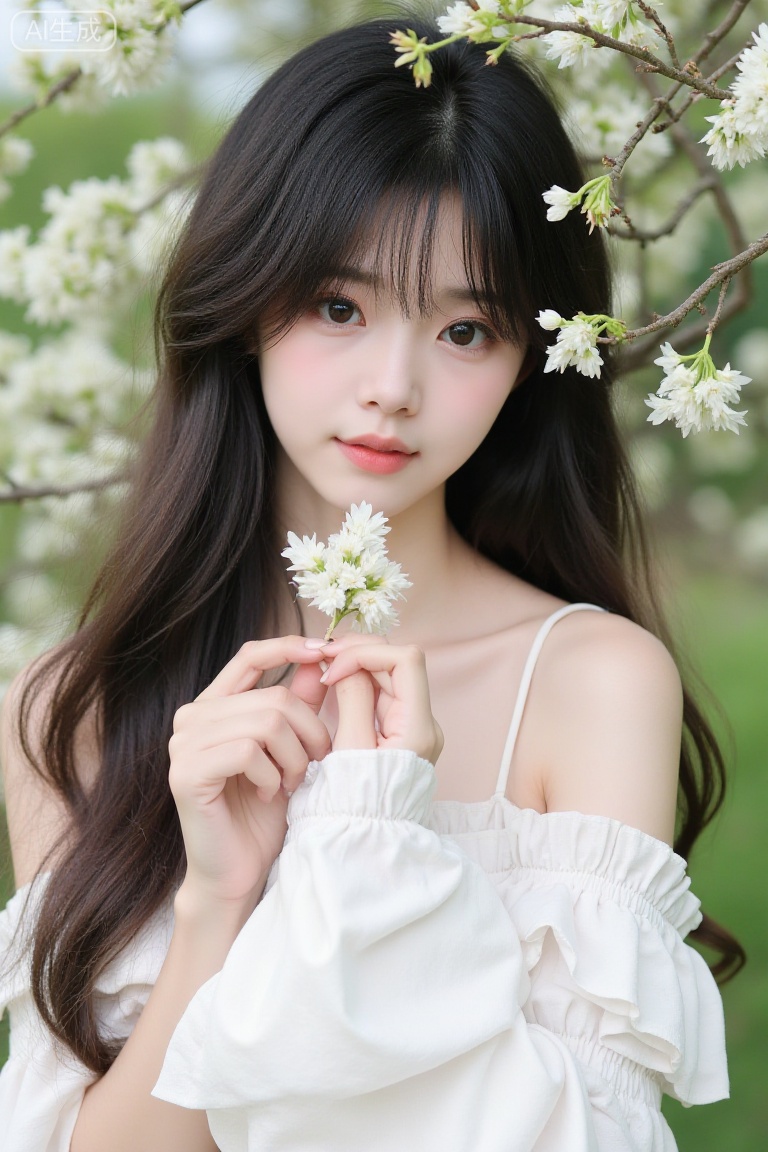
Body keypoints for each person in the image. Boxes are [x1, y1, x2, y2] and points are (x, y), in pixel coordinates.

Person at [0, 13, 741, 1152]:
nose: (391, 387)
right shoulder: (71, 704)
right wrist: (217, 905)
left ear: (529, 362)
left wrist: (371, 839)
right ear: (243, 304)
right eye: (339, 308)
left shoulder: (589, 684)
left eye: (465, 329)